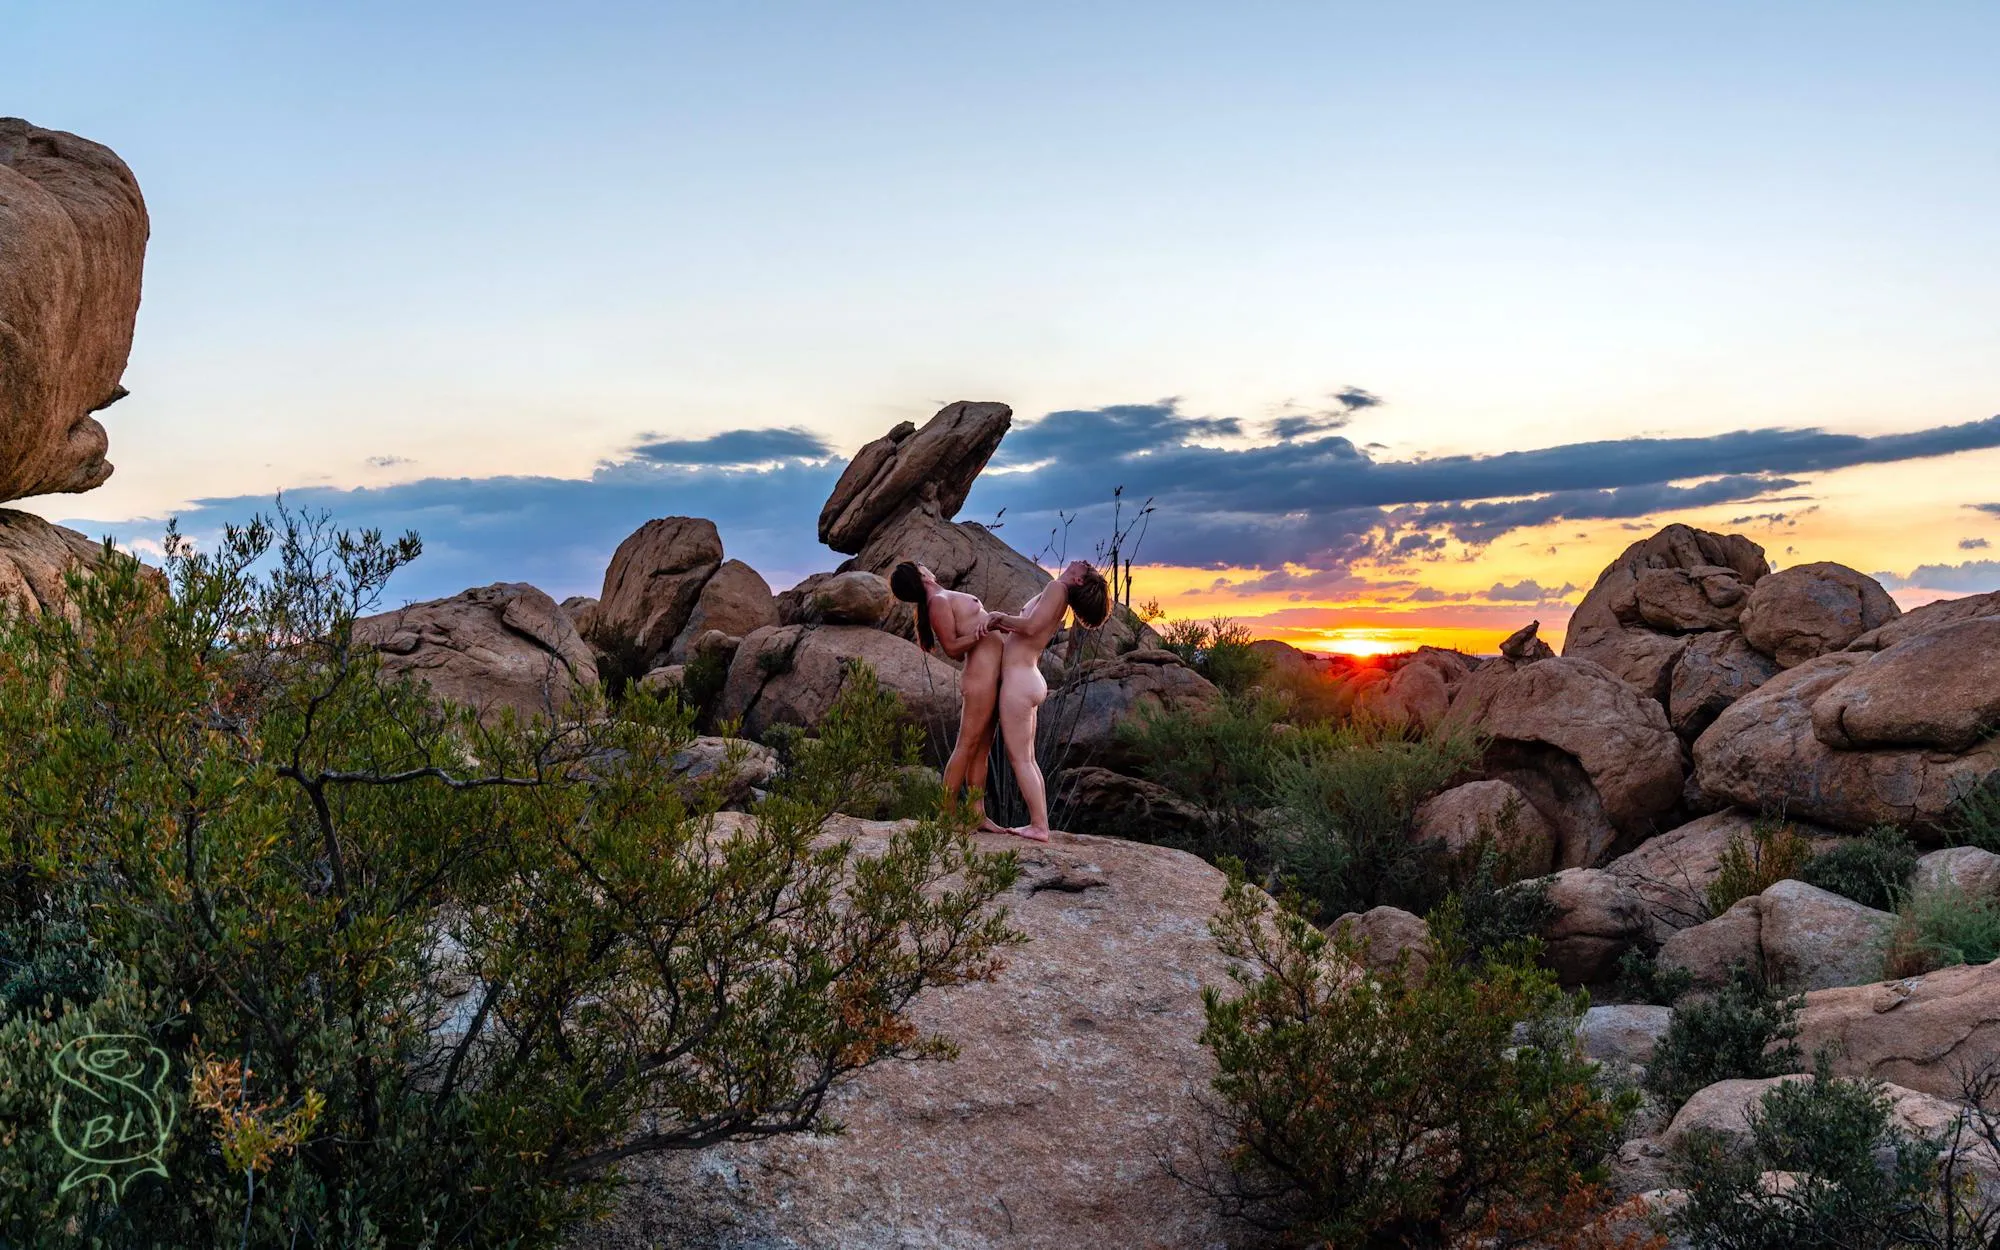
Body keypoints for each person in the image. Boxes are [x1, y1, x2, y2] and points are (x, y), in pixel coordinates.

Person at [979, 560, 1112, 842]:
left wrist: (997, 617)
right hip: (1028, 676)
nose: (1083, 562)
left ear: (1078, 580)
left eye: (1086, 567)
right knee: (1028, 759)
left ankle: (1039, 826)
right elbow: (1031, 629)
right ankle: (1040, 823)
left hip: (1019, 681)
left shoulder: (1056, 588)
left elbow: (1030, 627)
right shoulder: (1061, 595)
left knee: (1020, 760)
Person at [889, 561, 1009, 834]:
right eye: (921, 564)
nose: (926, 565)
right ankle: (946, 814)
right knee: (966, 745)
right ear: (921, 574)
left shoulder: (941, 598)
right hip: (980, 678)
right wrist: (984, 630)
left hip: (991, 676)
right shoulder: (938, 603)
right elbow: (953, 648)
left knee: (981, 749)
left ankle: (976, 814)